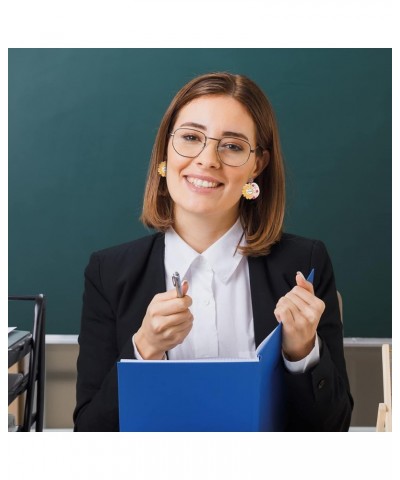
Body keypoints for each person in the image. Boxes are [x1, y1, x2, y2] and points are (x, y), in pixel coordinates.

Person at [73, 72, 353, 431]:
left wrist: (302, 352)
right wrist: (144, 350)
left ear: (258, 165)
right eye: (190, 138)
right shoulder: (108, 273)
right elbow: (89, 435)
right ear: (165, 151)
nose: (207, 160)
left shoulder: (305, 263)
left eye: (233, 146)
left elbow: (333, 431)